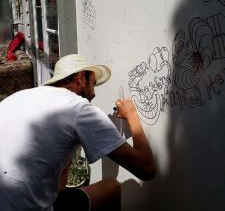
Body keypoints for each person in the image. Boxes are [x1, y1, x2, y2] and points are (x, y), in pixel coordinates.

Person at [0, 54, 156, 211]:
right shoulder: (78, 108)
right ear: (81, 77)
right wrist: (132, 115)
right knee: (112, 187)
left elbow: (59, 188)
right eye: (93, 83)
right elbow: (147, 169)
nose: (93, 94)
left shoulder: (18, 97)